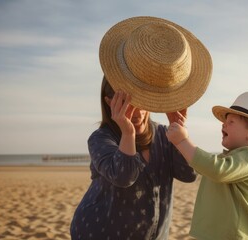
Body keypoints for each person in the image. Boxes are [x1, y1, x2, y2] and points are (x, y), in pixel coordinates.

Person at [71, 16, 212, 240]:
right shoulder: (100, 139)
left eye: (142, 102)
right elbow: (124, 176)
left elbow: (188, 174)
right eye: (129, 103)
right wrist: (128, 133)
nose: (137, 112)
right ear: (110, 102)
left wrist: (179, 131)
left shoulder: (165, 136)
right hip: (99, 232)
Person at [166, 92, 248, 240]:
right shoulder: (227, 157)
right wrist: (181, 133)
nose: (223, 124)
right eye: (225, 121)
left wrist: (182, 141)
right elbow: (202, 164)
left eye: (231, 122)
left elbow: (217, 170)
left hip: (234, 235)